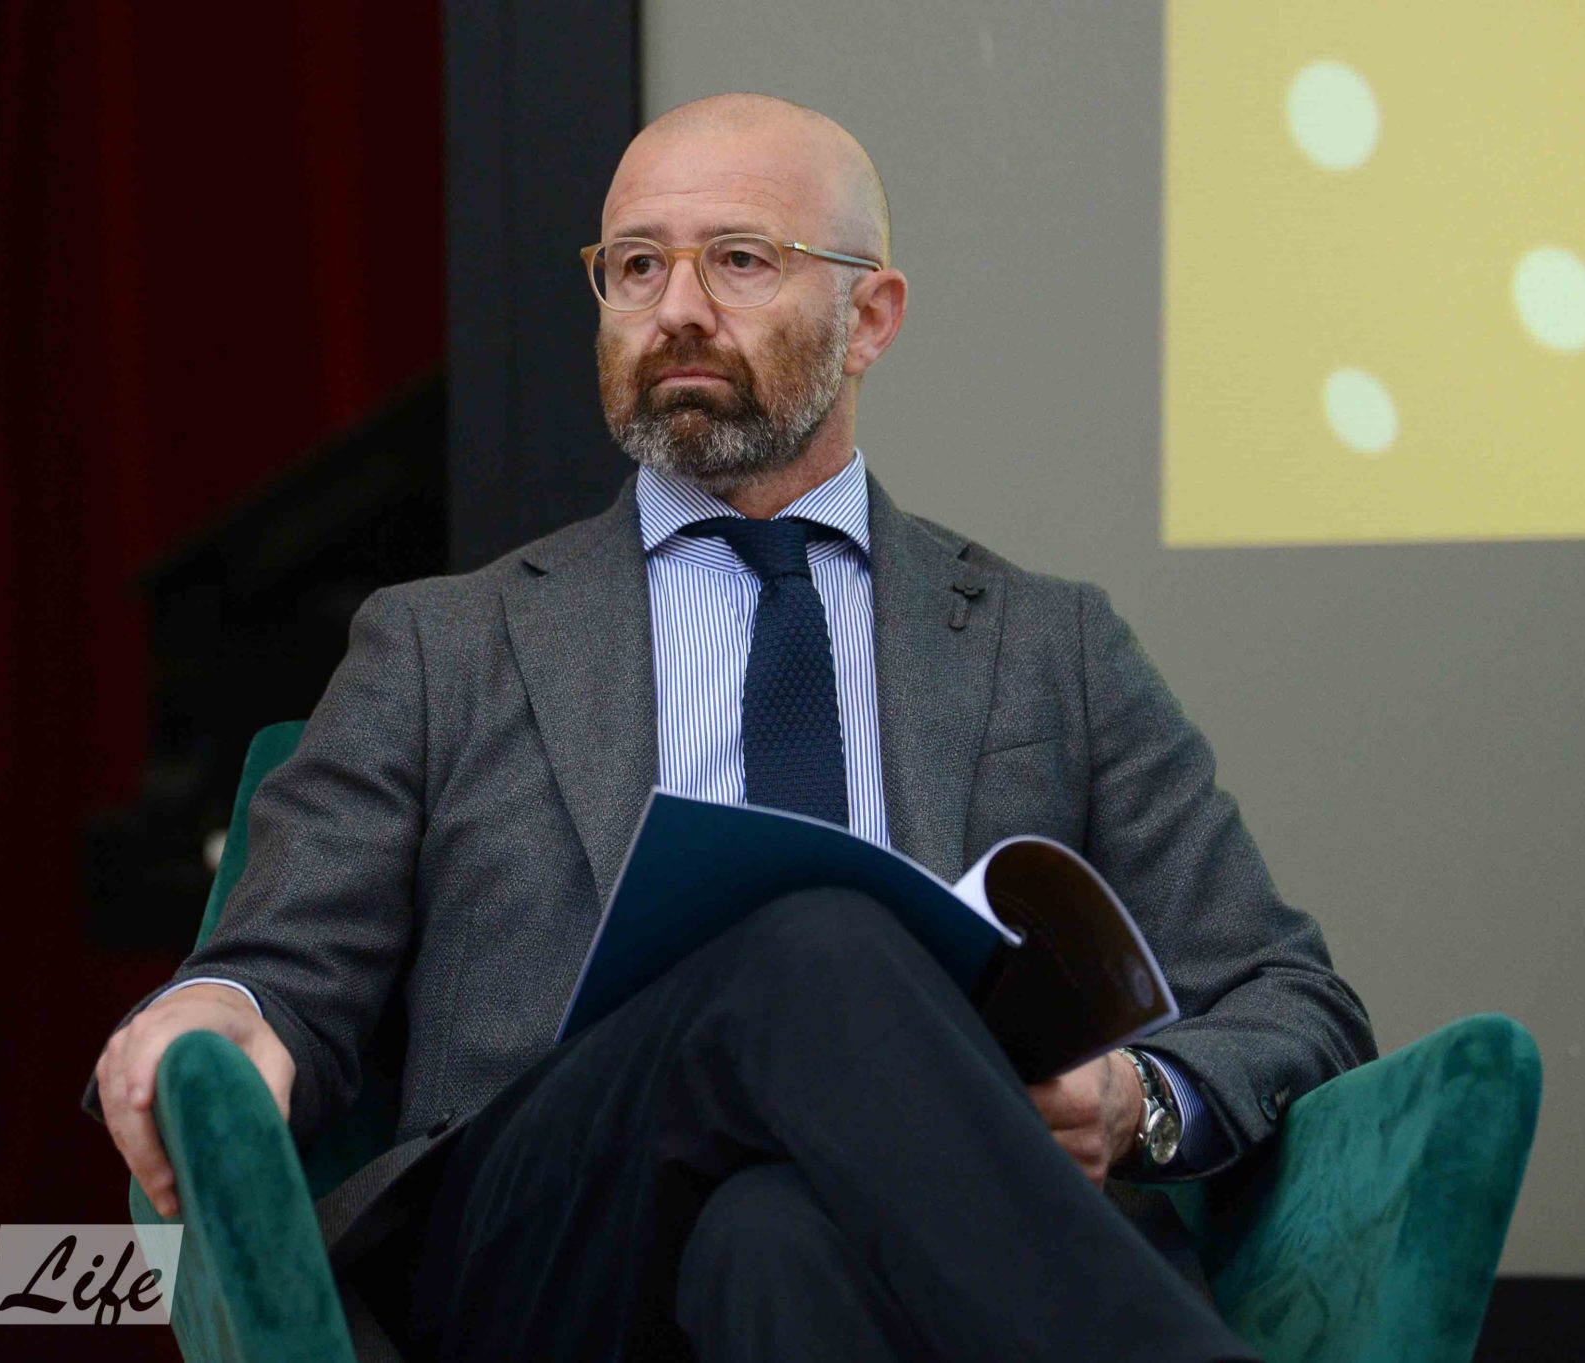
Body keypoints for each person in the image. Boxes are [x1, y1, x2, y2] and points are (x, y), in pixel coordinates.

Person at [88, 93, 1374, 1361]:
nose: (678, 308)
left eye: (740, 260)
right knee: (814, 940)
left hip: (893, 1275)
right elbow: (280, 965)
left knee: (773, 1238)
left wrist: (1132, 1102)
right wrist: (212, 1012)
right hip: (545, 1249)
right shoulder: (441, 644)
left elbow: (1287, 999)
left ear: (871, 317)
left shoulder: (1051, 648)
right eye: (636, 266)